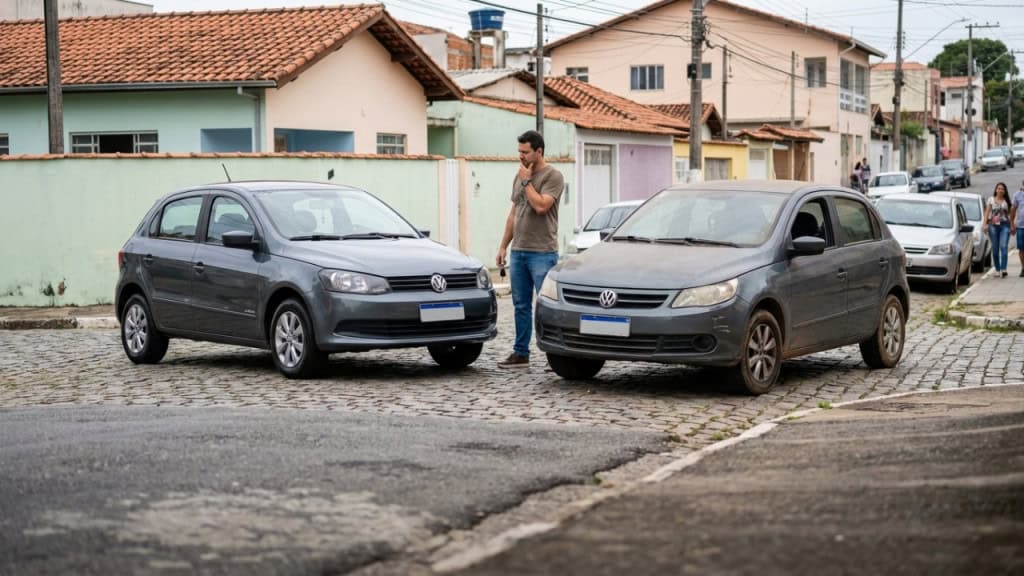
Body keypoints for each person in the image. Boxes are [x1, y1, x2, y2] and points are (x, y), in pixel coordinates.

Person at [495, 130, 565, 368]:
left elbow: (541, 206)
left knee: (546, 307)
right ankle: (520, 352)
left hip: (542, 252)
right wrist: (504, 246)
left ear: (539, 151)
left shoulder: (553, 176)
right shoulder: (519, 176)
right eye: (519, 152)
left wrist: (526, 181)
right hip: (519, 251)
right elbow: (514, 213)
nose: (521, 156)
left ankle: (554, 353)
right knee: (520, 305)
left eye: (525, 152)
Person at [984, 182, 1012, 278]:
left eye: (1002, 189)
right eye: (998, 188)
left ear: (1004, 191)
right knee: (995, 249)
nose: (1000, 190)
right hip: (993, 226)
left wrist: (1012, 226)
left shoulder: (1007, 202)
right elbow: (987, 213)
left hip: (1005, 226)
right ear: (996, 190)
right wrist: (984, 225)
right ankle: (997, 269)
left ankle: (1003, 269)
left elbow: (1010, 216)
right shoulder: (991, 200)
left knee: (1004, 246)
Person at [1011, 179, 1024, 276]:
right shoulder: (1017, 195)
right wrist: (1012, 223)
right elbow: (1013, 209)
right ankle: (1023, 267)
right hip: (1021, 226)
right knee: (1021, 248)